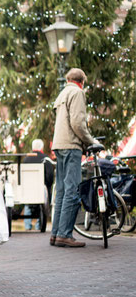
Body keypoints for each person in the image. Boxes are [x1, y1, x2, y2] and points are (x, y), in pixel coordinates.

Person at [51, 68, 98, 247]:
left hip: (59, 145)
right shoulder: (77, 92)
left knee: (62, 191)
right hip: (71, 146)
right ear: (82, 81)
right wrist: (90, 141)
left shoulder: (62, 93)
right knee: (72, 191)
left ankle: (55, 234)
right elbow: (78, 123)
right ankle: (65, 234)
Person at [22, 139, 55, 230]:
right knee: (41, 203)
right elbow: (50, 176)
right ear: (42, 147)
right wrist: (48, 186)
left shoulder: (26, 159)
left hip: (27, 189)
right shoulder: (45, 159)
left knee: (27, 205)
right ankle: (38, 226)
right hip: (40, 189)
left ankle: (27, 226)